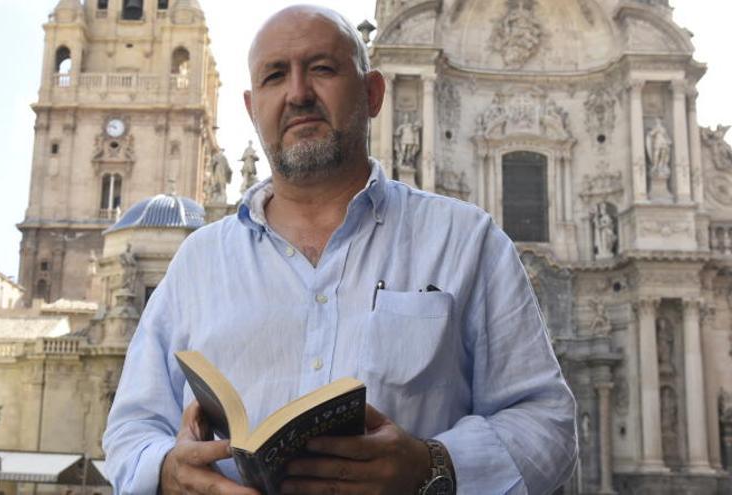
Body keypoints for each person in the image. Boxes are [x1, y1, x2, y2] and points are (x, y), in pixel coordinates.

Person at [103, 5, 577, 495]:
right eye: (274, 76)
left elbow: (549, 424)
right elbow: (129, 430)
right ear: (252, 108)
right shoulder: (196, 264)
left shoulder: (467, 242)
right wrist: (166, 470)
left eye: (322, 69)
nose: (298, 93)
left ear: (373, 94)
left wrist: (432, 464)